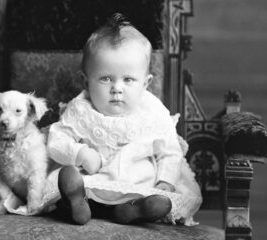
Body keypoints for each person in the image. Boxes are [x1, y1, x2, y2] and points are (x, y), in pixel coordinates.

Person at [47, 13, 202, 225]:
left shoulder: (152, 111)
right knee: (68, 182)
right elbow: (56, 140)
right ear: (86, 81)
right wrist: (80, 154)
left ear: (145, 84)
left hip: (138, 186)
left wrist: (165, 180)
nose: (116, 89)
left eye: (128, 79)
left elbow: (170, 151)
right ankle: (77, 201)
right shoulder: (82, 108)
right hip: (93, 183)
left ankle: (134, 210)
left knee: (158, 198)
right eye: (106, 78)